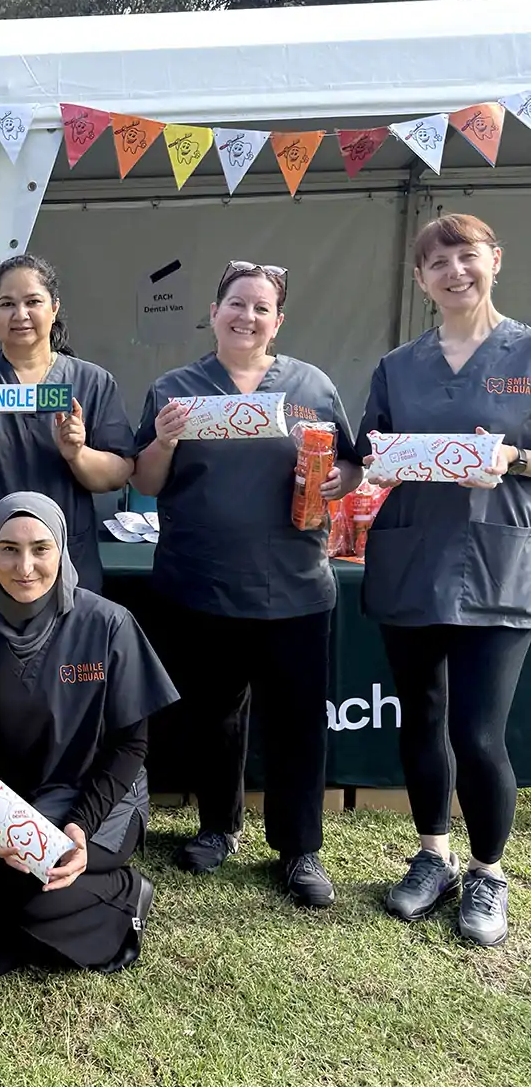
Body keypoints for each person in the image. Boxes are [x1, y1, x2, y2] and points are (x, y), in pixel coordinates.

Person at [131, 260, 363, 904]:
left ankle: (300, 850)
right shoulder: (176, 390)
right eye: (236, 304)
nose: (247, 317)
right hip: (201, 584)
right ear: (214, 312)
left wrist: (341, 479)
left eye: (262, 308)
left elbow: (348, 462)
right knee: (213, 717)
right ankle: (216, 827)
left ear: (278, 321)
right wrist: (167, 442)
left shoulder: (310, 385)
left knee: (296, 723)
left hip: (294, 586)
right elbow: (145, 482)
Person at [356, 213, 531, 948]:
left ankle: (489, 872)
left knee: (479, 732)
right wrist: (344, 475)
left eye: (466, 256)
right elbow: (367, 453)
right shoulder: (397, 367)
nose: (454, 271)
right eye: (437, 262)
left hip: (499, 564)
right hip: (412, 560)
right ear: (422, 281)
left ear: (494, 259)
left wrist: (514, 461)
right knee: (422, 718)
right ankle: (434, 857)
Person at [0, 493, 178, 975]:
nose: (24, 565)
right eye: (8, 549)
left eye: (40, 549)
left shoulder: (108, 624)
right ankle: (20, 907)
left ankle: (124, 892)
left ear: (63, 550)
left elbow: (130, 744)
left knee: (33, 898)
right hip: (13, 804)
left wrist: (80, 826)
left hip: (98, 802)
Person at [0, 255, 135, 625]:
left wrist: (78, 453)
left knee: (65, 676)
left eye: (33, 302)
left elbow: (119, 472)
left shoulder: (92, 383)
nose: (20, 314)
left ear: (54, 308)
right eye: (7, 304)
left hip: (67, 569)